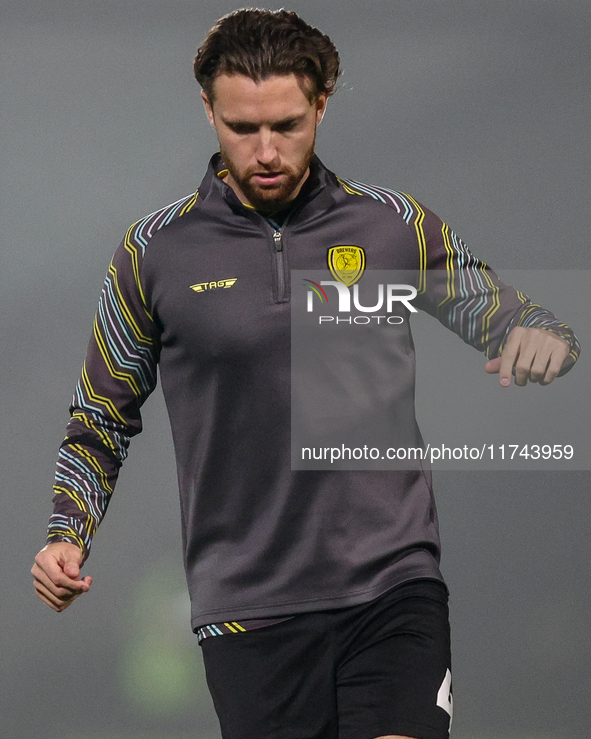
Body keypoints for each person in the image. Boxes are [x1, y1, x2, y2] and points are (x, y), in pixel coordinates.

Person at [31, 8, 579, 739]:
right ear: (208, 109)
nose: (264, 151)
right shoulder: (153, 253)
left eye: (286, 125)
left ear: (322, 102)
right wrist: (68, 532)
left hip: (390, 584)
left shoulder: (393, 226)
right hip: (248, 607)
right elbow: (101, 415)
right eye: (241, 127)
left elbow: (505, 314)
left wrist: (540, 340)